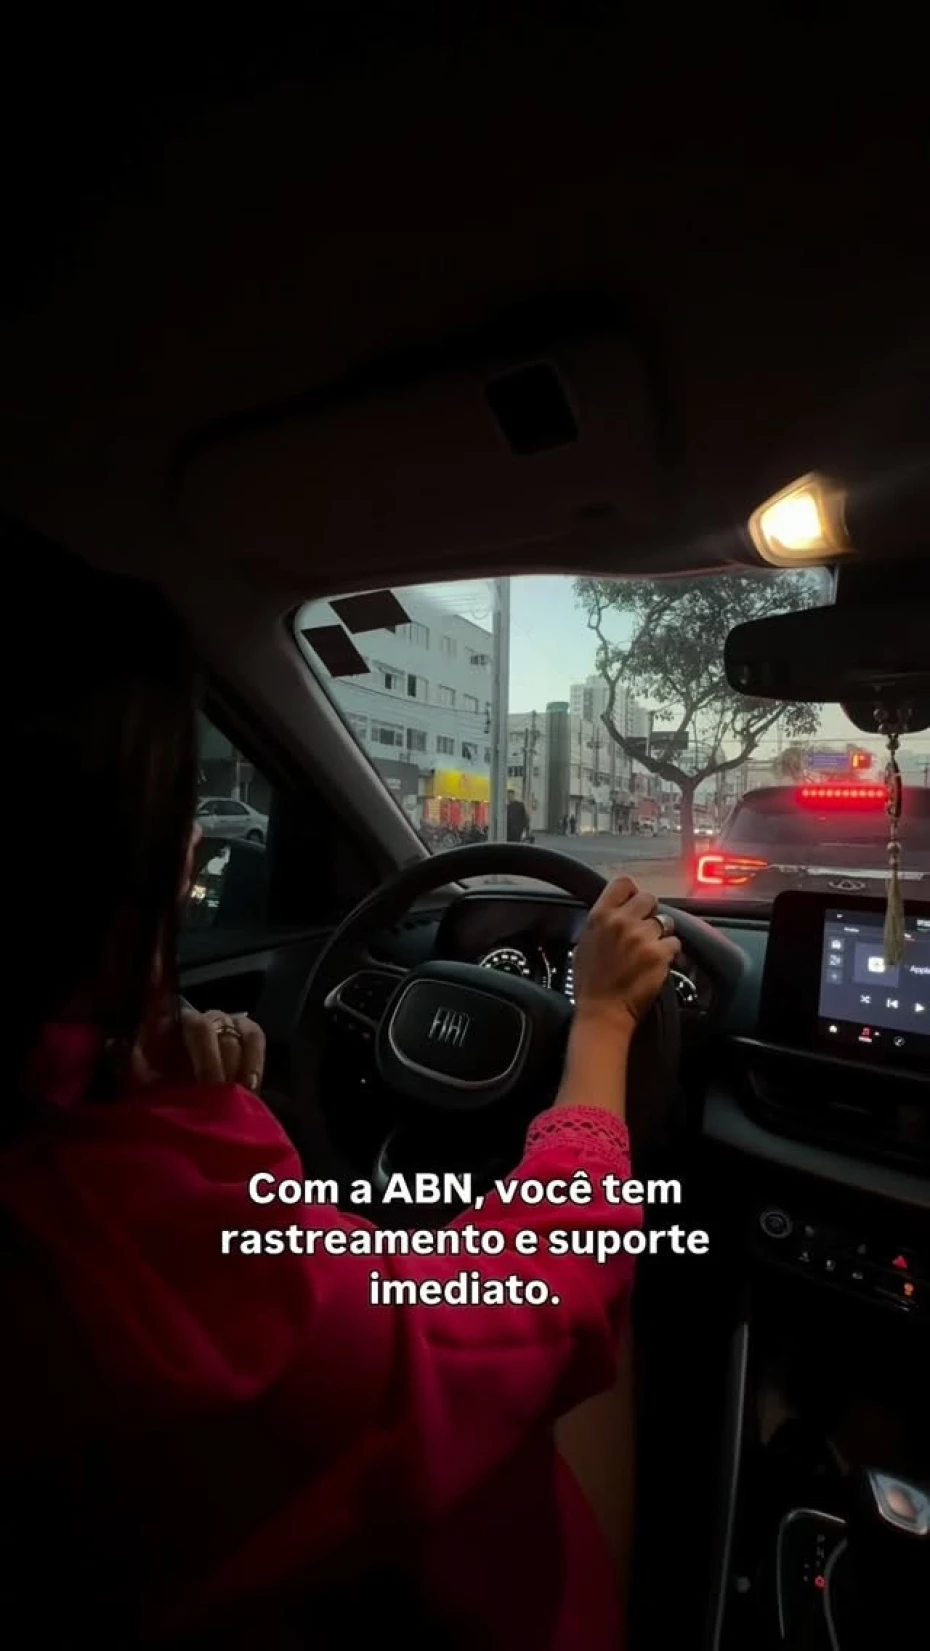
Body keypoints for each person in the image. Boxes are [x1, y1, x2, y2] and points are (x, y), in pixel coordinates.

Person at [1, 540, 680, 1649]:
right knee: (606, 1301)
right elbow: (527, 1306)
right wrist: (601, 1028)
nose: (193, 842)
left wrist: (158, 1084)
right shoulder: (119, 1229)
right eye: (170, 802)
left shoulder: (89, 1116)